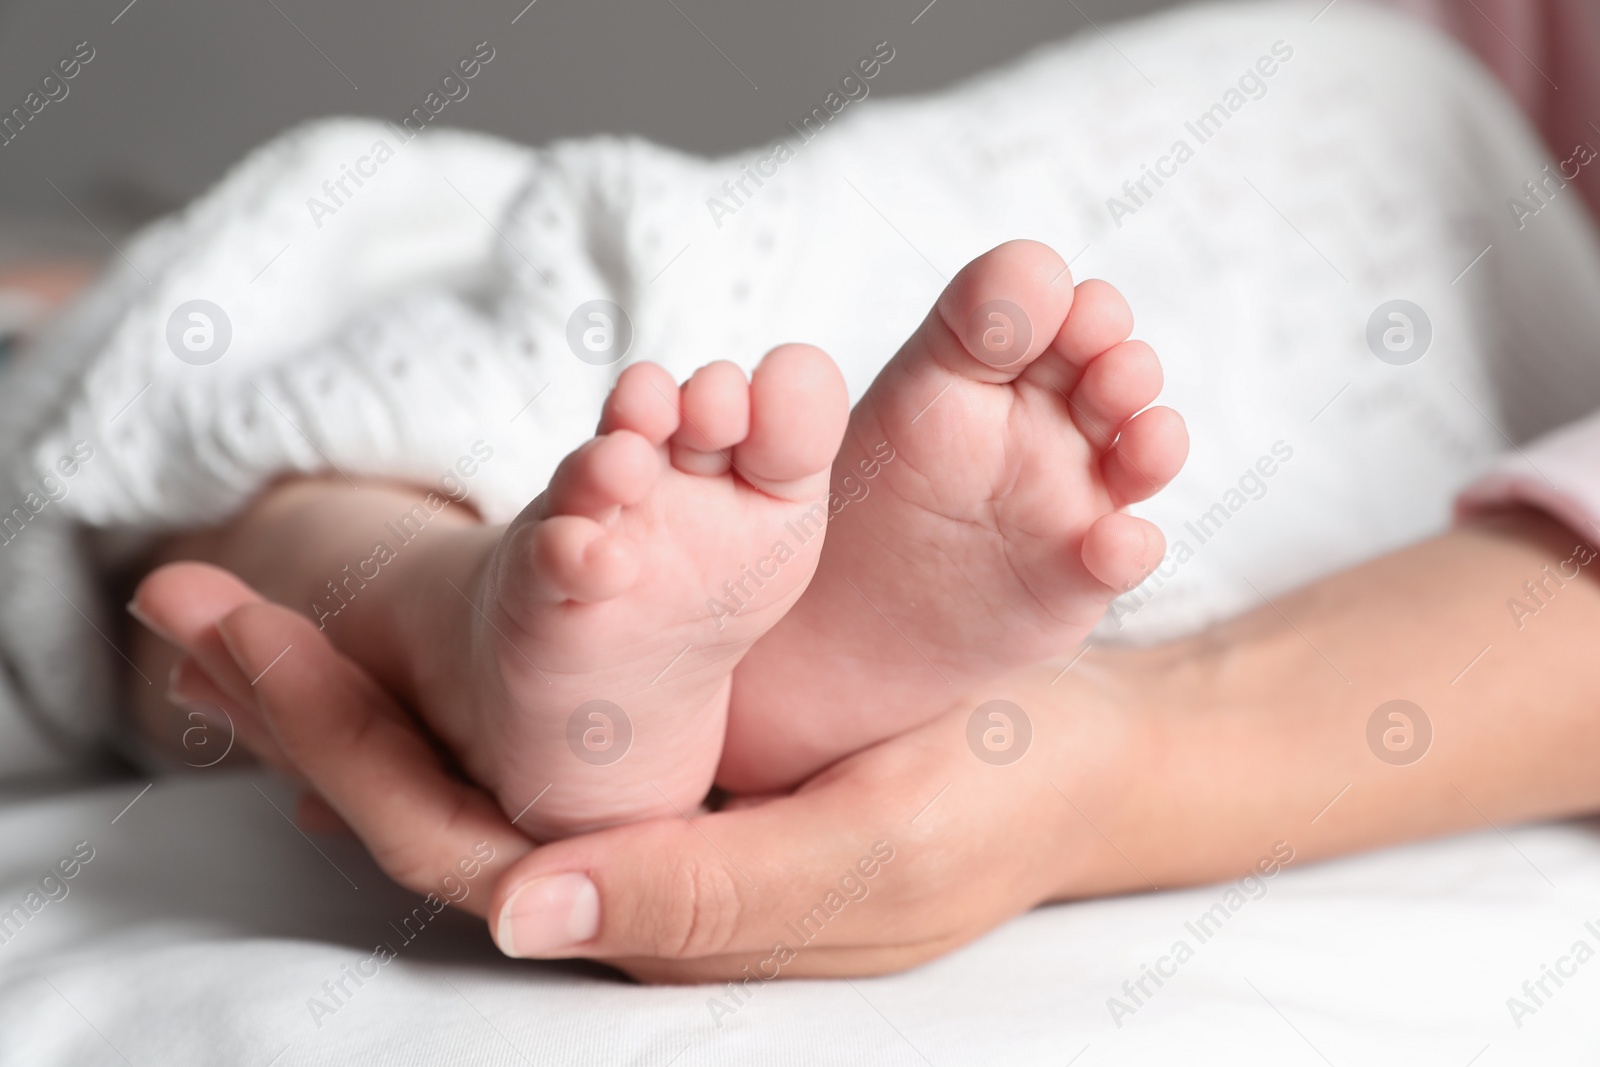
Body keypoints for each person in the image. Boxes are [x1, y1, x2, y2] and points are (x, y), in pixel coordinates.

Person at [5, 0, 1600, 981]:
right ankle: (499, 617)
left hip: (1467, 317)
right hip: (1461, 243)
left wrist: (1137, 759)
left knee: (529, 346)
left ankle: (453, 605)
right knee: (1360, 137)